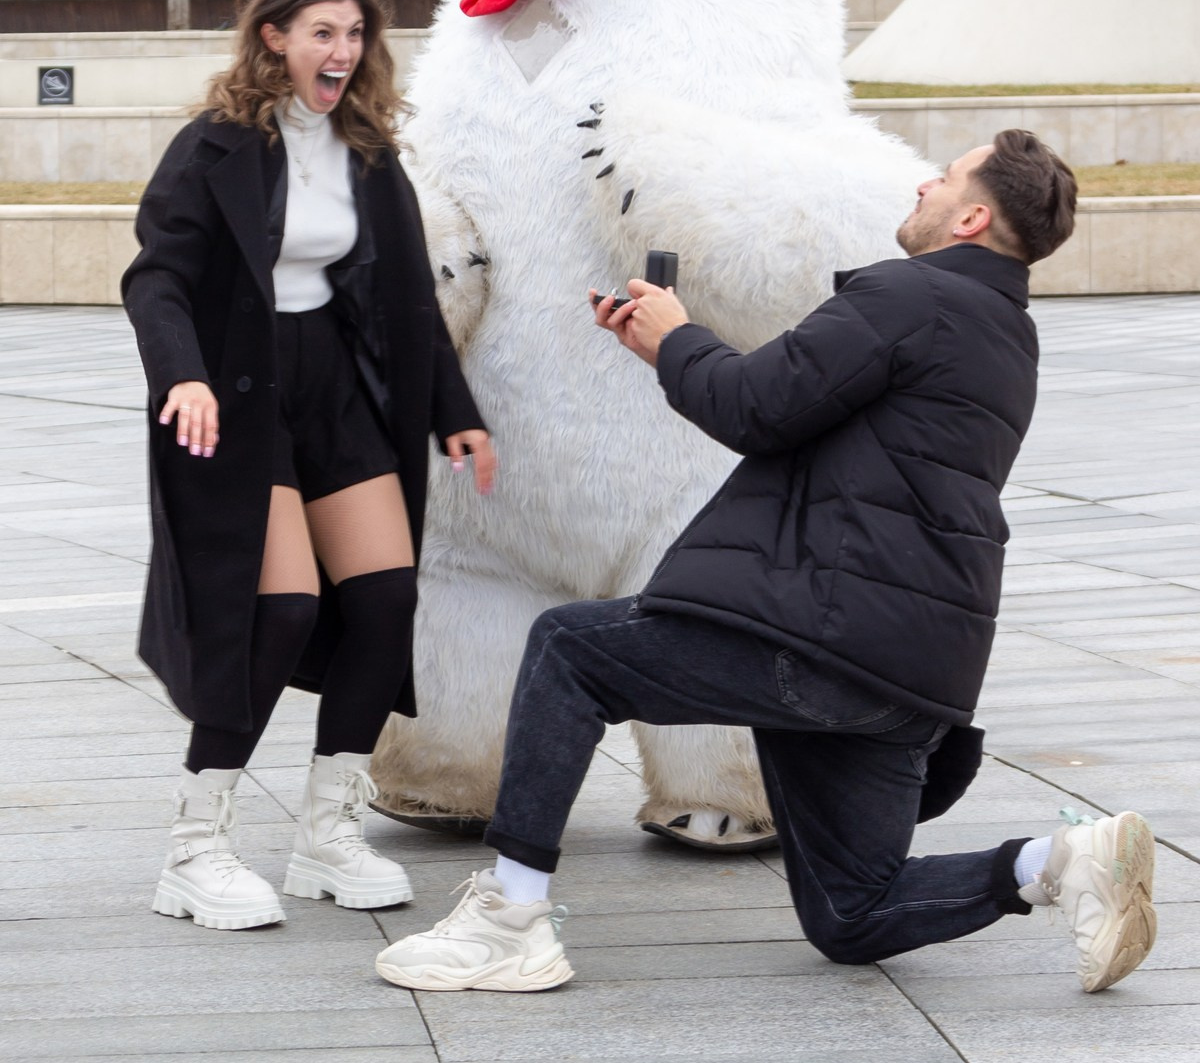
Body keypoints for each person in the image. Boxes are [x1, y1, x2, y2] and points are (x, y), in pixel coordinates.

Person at [375, 130, 1158, 997]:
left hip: (827, 635)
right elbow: (806, 412)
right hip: (906, 668)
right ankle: (1062, 859)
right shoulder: (1007, 333)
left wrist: (676, 337)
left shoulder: (907, 296)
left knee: (570, 648)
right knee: (852, 915)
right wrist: (668, 346)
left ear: (972, 216)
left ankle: (510, 919)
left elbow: (756, 407)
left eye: (945, 178)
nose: (923, 184)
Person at [124, 0, 493, 931]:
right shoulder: (214, 148)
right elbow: (156, 277)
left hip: (337, 389)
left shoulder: (366, 151)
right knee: (278, 608)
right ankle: (195, 848)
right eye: (322, 32)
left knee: (383, 599)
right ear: (274, 38)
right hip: (237, 394)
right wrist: (182, 374)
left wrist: (454, 411)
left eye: (355, 33)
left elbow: (411, 297)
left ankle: (328, 835)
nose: (342, 50)